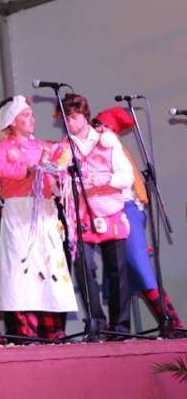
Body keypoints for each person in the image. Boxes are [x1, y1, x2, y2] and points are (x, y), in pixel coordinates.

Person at [0, 96, 78, 340]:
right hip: (19, 210)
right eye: (25, 115)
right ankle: (24, 330)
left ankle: (52, 328)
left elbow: (58, 168)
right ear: (13, 122)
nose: (31, 119)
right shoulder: (4, 147)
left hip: (45, 209)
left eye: (32, 115)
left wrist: (60, 170)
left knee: (48, 266)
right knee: (20, 268)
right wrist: (23, 170)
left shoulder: (43, 146)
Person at [92, 107, 184, 334]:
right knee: (120, 271)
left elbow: (127, 189)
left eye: (101, 126)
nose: (98, 130)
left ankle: (171, 320)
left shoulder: (114, 150)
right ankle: (119, 326)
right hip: (115, 213)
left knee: (138, 268)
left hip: (126, 210)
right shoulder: (101, 150)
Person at [56, 94, 133, 335]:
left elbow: (127, 177)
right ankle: (96, 324)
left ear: (84, 115)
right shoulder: (64, 147)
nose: (69, 122)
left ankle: (120, 327)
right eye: (65, 118)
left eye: (73, 116)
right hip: (80, 216)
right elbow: (57, 182)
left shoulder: (106, 140)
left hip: (109, 211)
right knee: (84, 268)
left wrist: (106, 178)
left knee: (117, 270)